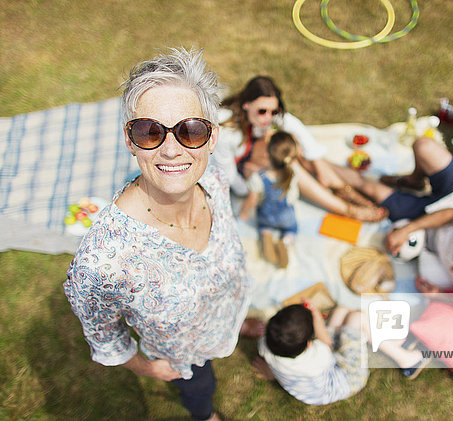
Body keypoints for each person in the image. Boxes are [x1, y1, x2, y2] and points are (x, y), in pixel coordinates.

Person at [63, 48, 259, 421]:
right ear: (130, 140)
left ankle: (237, 326)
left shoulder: (214, 179)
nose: (171, 149)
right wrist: (145, 367)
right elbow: (103, 333)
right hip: (182, 356)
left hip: (225, 309)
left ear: (212, 137)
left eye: (191, 130)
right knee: (201, 389)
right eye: (149, 131)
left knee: (233, 317)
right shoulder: (102, 262)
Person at [328, 136, 453, 326]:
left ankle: (316, 162)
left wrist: (439, 294)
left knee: (370, 188)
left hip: (427, 232)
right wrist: (406, 230)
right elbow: (451, 214)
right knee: (424, 146)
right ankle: (415, 180)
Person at [210, 76, 387, 222]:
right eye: (262, 111)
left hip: (253, 150)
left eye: (274, 112)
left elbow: (294, 125)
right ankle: (345, 208)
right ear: (246, 104)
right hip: (241, 171)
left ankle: (343, 188)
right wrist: (254, 180)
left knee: (296, 147)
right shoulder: (225, 133)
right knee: (288, 159)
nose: (268, 118)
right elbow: (230, 179)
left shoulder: (258, 115)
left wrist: (318, 164)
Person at [253, 301, 429, 405]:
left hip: (313, 385)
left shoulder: (265, 347)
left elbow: (323, 344)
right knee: (356, 318)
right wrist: (314, 312)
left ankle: (391, 343)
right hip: (347, 378)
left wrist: (271, 374)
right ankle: (407, 360)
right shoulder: (317, 356)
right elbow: (327, 344)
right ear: (309, 343)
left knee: (341, 311)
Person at [240, 131, 299, 269]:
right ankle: (286, 241)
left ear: (267, 154)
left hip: (266, 216)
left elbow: (252, 200)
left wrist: (243, 212)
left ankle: (266, 235)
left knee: (263, 225)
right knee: (292, 228)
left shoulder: (258, 177)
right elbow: (293, 197)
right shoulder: (293, 172)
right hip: (286, 217)